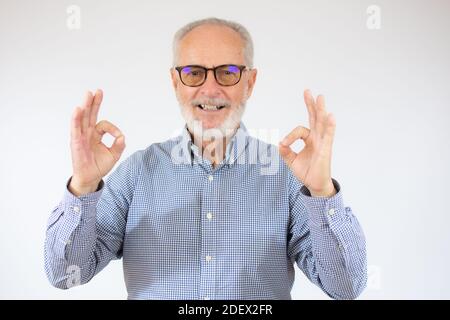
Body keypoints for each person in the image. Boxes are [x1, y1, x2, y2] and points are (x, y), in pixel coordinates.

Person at [44, 17, 367, 300]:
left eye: (227, 72)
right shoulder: (137, 173)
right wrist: (83, 187)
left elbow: (345, 287)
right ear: (175, 82)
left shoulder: (287, 176)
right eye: (194, 72)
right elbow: (65, 274)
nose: (210, 89)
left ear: (249, 83)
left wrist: (323, 193)